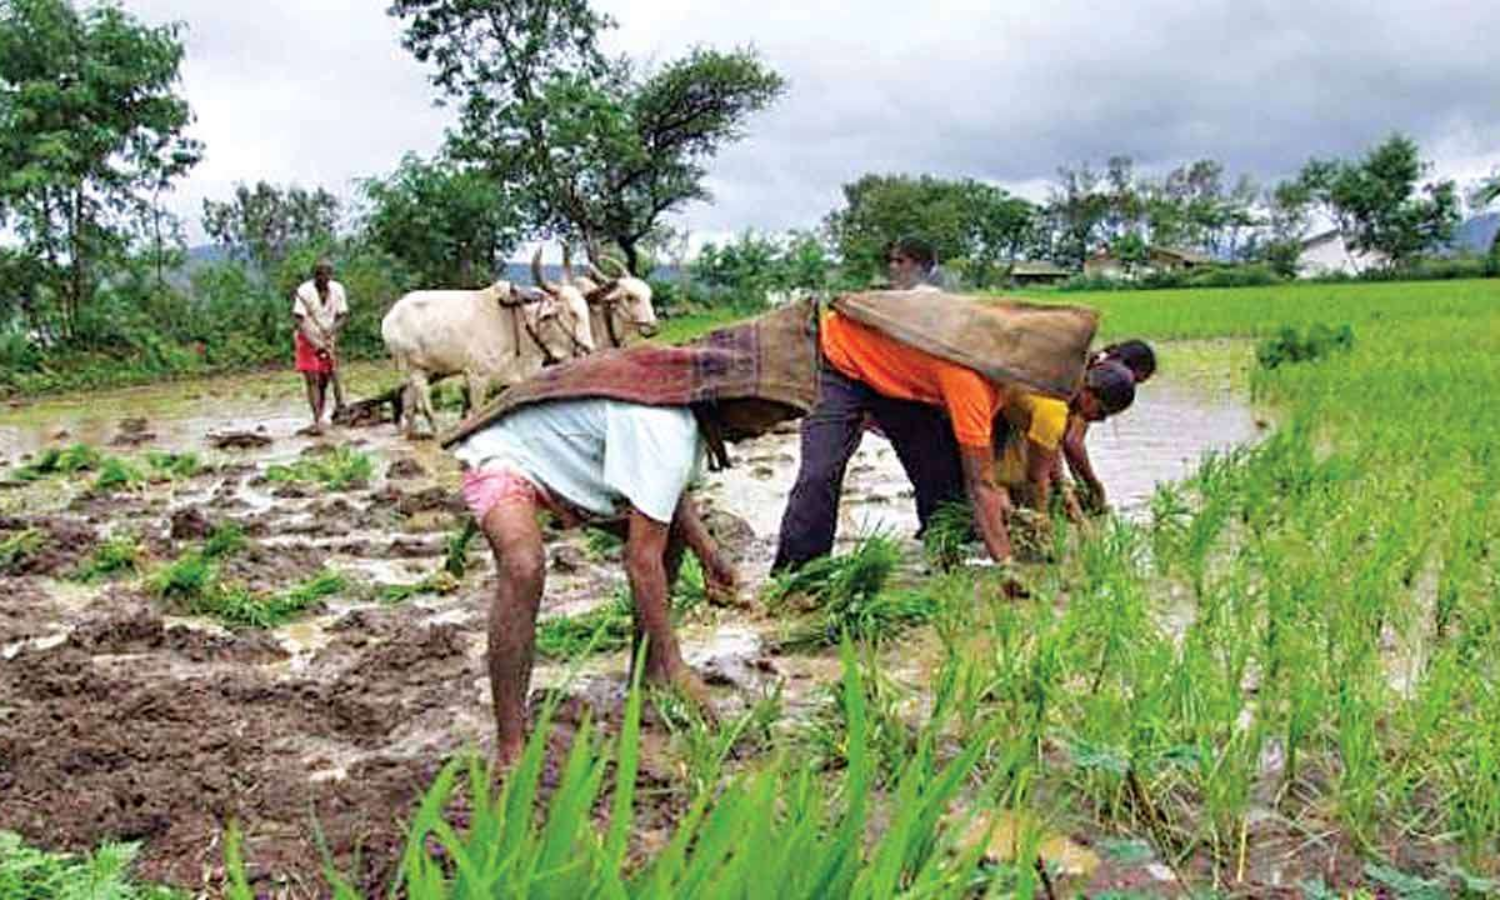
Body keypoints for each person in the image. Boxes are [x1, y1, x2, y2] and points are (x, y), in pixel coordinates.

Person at [451, 397, 737, 765]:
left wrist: (709, 552)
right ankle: (512, 746)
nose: (771, 425)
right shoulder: (667, 427)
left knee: (667, 537)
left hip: (573, 472)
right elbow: (641, 562)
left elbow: (667, 492)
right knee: (523, 566)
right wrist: (677, 665)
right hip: (506, 455)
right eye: (773, 413)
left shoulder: (690, 428)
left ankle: (648, 676)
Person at [772, 305, 1134, 574]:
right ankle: (799, 575)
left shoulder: (1007, 378)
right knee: (822, 471)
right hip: (840, 359)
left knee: (938, 469)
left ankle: (943, 553)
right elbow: (982, 482)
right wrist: (1007, 564)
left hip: (899, 380)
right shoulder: (972, 380)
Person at [1058, 340, 1156, 514]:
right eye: (1135, 381)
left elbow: (1063, 440)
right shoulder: (1103, 382)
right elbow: (1071, 442)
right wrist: (1094, 485)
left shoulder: (1095, 372)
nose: (1129, 386)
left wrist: (1080, 485)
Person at [292, 258, 349, 434]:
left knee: (326, 378)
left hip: (328, 338)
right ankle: (317, 419)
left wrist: (332, 330)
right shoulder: (304, 291)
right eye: (320, 275)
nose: (324, 278)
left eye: (327, 274)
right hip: (307, 338)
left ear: (331, 276)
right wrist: (314, 342)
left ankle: (329, 411)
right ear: (315, 276)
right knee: (312, 378)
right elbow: (299, 320)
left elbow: (343, 315)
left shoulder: (338, 289)